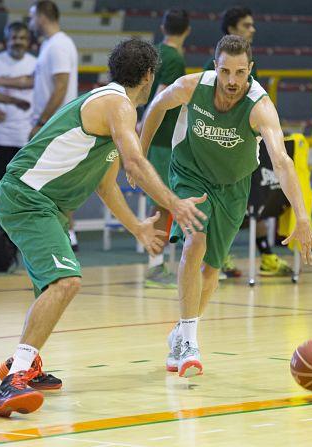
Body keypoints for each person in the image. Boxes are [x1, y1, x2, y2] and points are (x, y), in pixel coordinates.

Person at [0, 38, 207, 417]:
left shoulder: (113, 109)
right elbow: (135, 165)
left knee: (53, 289)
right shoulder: (116, 105)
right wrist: (173, 203)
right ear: (150, 76)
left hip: (44, 205)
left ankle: (24, 364)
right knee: (66, 282)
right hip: (27, 198)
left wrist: (137, 226)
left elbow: (106, 184)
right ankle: (14, 379)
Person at [140, 35, 312, 378]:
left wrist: (302, 215)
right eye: (225, 71)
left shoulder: (259, 106)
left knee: (212, 271)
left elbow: (281, 161)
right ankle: (190, 342)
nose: (232, 81)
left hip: (234, 186)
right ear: (215, 67)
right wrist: (140, 155)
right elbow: (157, 106)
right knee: (195, 243)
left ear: (250, 69)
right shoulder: (192, 86)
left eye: (240, 72)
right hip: (190, 175)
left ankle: (181, 331)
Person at [205, 6, 292, 278]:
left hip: (245, 145)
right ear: (231, 29)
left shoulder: (248, 63)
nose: (252, 29)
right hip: (219, 150)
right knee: (218, 206)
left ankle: (265, 254)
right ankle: (218, 256)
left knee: (263, 197)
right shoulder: (215, 70)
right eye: (246, 25)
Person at [0, 0, 80, 248]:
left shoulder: (59, 46)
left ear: (42, 17)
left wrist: (41, 122)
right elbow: (32, 81)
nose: (30, 23)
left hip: (57, 126)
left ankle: (67, 234)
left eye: (32, 18)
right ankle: (58, 232)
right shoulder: (49, 46)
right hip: (52, 125)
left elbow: (61, 86)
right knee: (49, 181)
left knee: (59, 181)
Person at [142, 9, 190, 289]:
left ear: (163, 26)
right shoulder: (173, 57)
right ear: (188, 30)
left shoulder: (154, 52)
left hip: (158, 138)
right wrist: (144, 126)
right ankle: (155, 266)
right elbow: (161, 96)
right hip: (163, 140)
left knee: (166, 202)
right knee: (163, 204)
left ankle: (162, 262)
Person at [0, 22, 36, 227]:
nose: (18, 42)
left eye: (22, 38)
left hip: (26, 138)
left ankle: (21, 228)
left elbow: (32, 84)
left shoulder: (35, 63)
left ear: (28, 41)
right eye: (14, 38)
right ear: (6, 40)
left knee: (23, 189)